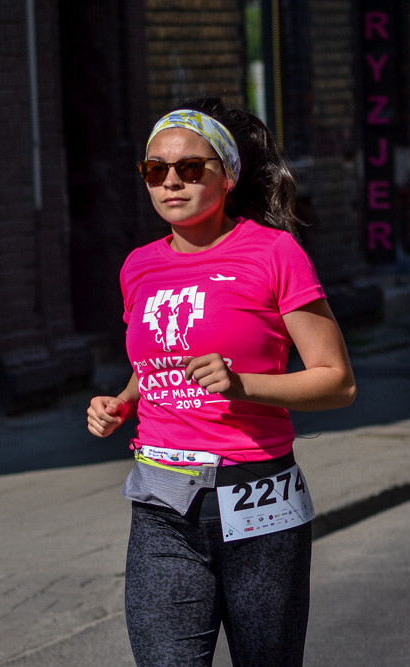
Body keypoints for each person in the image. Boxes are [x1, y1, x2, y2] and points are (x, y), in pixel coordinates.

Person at [86, 98, 356, 665]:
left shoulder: (273, 253)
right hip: (161, 499)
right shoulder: (138, 265)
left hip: (256, 496)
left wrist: (243, 386)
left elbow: (336, 382)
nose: (171, 182)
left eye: (191, 168)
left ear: (228, 175)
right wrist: (123, 401)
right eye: (155, 170)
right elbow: (155, 361)